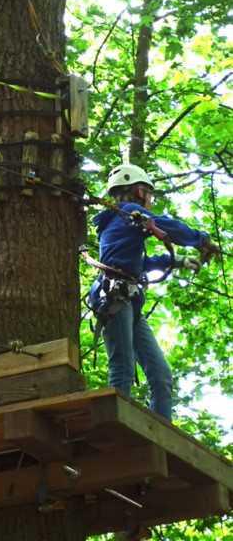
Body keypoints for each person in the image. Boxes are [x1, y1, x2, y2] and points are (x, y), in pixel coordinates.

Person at [89, 163, 220, 421]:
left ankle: (162, 434)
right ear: (139, 192)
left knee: (161, 375)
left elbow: (138, 264)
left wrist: (177, 261)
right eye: (149, 194)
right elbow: (165, 226)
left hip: (130, 299)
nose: (150, 200)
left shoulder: (122, 222)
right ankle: (115, 431)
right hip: (115, 297)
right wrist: (201, 239)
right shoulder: (128, 212)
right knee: (123, 369)